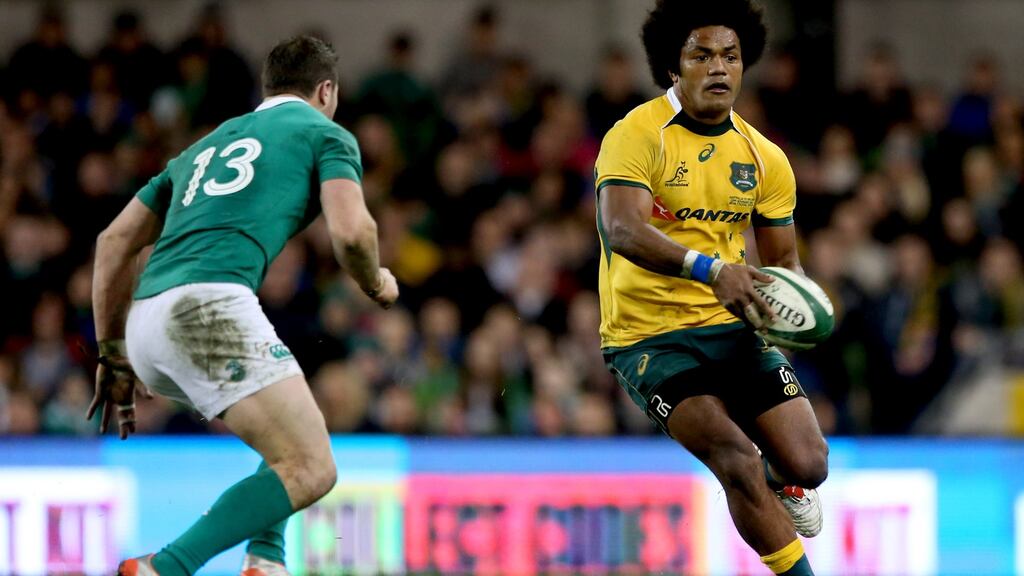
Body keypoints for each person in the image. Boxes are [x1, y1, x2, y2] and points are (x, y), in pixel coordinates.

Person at [88, 36, 398, 576]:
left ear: (268, 88)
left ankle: (265, 559)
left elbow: (113, 242)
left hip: (146, 325)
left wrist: (112, 352)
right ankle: (165, 567)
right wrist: (376, 282)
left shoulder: (201, 149)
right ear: (326, 90)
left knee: (289, 428)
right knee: (314, 467)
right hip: (208, 310)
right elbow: (352, 234)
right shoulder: (325, 133)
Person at [595, 2, 827, 575]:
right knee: (735, 459)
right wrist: (713, 270)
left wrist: (790, 309)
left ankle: (780, 478)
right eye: (701, 55)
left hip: (731, 326)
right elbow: (621, 229)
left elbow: (783, 261)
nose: (718, 67)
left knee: (809, 464)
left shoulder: (765, 158)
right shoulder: (636, 133)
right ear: (673, 67)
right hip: (648, 337)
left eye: (730, 55)